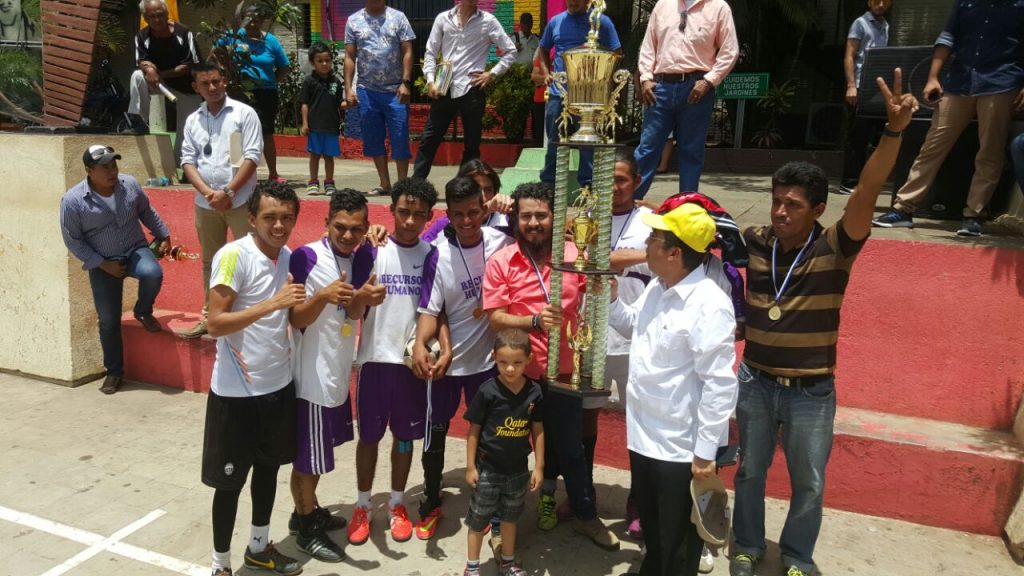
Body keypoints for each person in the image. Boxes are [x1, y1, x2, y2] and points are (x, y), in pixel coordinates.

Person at [730, 70, 916, 576]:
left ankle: (795, 558)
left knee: (808, 481)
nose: (781, 211)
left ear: (818, 209)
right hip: (756, 381)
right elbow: (690, 226)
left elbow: (870, 188)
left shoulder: (836, 244)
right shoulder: (754, 239)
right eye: (777, 200)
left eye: (793, 205)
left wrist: (893, 132)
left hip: (811, 390)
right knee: (748, 472)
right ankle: (745, 547)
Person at [483, 182, 619, 551]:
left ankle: (584, 516)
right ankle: (498, 525)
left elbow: (597, 300)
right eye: (526, 215)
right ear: (515, 219)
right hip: (516, 378)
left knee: (572, 449)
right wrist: (534, 322)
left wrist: (607, 289)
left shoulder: (577, 256)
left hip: (564, 374)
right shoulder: (501, 261)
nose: (533, 222)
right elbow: (495, 318)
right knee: (506, 452)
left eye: (541, 215)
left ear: (556, 219)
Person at [609, 202, 738, 576]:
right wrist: (612, 297)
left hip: (681, 448)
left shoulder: (709, 304)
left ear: (673, 252)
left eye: (653, 238)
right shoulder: (658, 288)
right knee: (654, 529)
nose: (646, 244)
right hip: (645, 436)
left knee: (679, 539)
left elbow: (719, 383)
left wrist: (704, 452)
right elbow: (633, 326)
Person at [202, 181, 304, 576]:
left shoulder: (288, 256)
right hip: (235, 394)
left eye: (286, 218)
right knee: (228, 485)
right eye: (269, 217)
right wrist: (272, 304)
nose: (278, 225)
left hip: (277, 388)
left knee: (268, 472)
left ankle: (259, 548)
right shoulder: (233, 256)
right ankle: (220, 565)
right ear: (251, 219)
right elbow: (215, 323)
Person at [411, 176, 515, 541]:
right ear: (448, 215)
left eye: (474, 212)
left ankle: (488, 503)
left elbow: (543, 228)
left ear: (485, 208)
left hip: (487, 365)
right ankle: (431, 499)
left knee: (490, 438)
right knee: (435, 434)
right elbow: (429, 310)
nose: (468, 221)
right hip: (447, 367)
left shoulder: (503, 240)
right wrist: (422, 345)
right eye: (459, 215)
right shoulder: (437, 253)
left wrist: (512, 206)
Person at [872, 2, 1024, 236]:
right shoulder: (966, 2)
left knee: (990, 151)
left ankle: (974, 215)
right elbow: (948, 36)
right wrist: (933, 77)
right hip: (959, 81)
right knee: (933, 145)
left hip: (1001, 81)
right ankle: (903, 209)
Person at [347, 177, 439, 545]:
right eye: (404, 212)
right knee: (369, 437)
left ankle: (398, 503)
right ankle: (363, 505)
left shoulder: (431, 254)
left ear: (430, 216)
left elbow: (433, 308)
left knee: (404, 438)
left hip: (410, 366)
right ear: (392, 210)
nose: (411, 221)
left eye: (419, 214)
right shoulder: (372, 249)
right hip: (373, 362)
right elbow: (351, 302)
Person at [285, 190, 370, 563]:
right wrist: (321, 296)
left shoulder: (361, 256)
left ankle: (305, 511)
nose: (348, 236)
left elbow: (351, 315)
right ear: (326, 223)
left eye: (357, 229)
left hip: (336, 374)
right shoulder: (306, 256)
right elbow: (294, 319)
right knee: (307, 462)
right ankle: (306, 530)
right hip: (311, 380)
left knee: (316, 457)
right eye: (340, 227)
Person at [59, 144, 170, 395]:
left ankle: (143, 310)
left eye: (114, 165)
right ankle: (114, 372)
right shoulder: (73, 200)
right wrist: (101, 263)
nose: (112, 171)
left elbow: (146, 212)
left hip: (134, 250)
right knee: (108, 321)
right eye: (104, 167)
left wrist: (163, 234)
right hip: (102, 261)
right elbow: (72, 239)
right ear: (89, 170)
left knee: (153, 273)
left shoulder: (129, 184)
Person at [179, 62, 263, 339]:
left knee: (249, 258)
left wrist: (227, 192)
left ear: (224, 81)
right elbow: (188, 160)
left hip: (240, 203)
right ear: (196, 87)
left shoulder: (242, 114)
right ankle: (209, 316)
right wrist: (208, 193)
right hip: (206, 204)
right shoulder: (194, 120)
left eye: (216, 81)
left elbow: (248, 157)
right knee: (211, 262)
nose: (212, 88)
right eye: (206, 84)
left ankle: (252, 317)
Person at [633, 0, 739, 199]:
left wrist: (709, 80)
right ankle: (629, 204)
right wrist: (646, 78)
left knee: (691, 150)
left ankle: (686, 207)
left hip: (697, 87)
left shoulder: (718, 7)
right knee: (647, 147)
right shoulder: (663, 5)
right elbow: (648, 45)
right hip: (660, 86)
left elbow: (729, 51)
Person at [462, 329, 545, 576]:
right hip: (487, 470)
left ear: (529, 360)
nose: (510, 369)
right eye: (503, 363)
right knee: (477, 521)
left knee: (510, 519)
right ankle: (472, 568)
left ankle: (508, 562)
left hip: (518, 471)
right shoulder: (487, 391)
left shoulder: (535, 393)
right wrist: (470, 466)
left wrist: (539, 466)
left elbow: (538, 431)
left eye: (517, 363)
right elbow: (473, 431)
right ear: (494, 358)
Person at [414, 0, 517, 179]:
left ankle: (464, 188)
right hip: (443, 86)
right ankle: (416, 186)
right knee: (429, 139)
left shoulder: (488, 21)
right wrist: (430, 80)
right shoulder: (443, 18)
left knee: (472, 144)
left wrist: (491, 74)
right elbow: (430, 52)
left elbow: (511, 51)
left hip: (472, 87)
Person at [536, 0, 621, 187]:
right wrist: (545, 72)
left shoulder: (601, 22)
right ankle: (549, 185)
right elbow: (543, 48)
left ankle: (588, 186)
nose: (572, 2)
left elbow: (616, 52)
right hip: (560, 93)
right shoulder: (555, 22)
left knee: (588, 143)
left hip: (590, 95)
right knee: (554, 141)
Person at [344, 0, 416, 196]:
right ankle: (385, 183)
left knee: (399, 137)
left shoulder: (399, 18)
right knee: (374, 139)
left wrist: (406, 82)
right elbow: (350, 56)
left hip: (395, 90)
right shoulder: (353, 20)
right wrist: (348, 88)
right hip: (367, 90)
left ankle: (402, 185)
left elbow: (408, 51)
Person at [128, 0, 203, 166]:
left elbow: (189, 64)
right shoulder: (142, 36)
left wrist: (160, 74)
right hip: (158, 85)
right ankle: (139, 120)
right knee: (137, 76)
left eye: (160, 15)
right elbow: (140, 61)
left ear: (167, 14)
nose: (157, 20)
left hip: (186, 89)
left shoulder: (183, 33)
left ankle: (183, 166)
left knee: (187, 132)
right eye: (152, 16)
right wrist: (149, 69)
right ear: (146, 18)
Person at [227, 4, 290, 183]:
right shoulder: (234, 38)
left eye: (257, 17)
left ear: (263, 20)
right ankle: (237, 174)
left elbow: (284, 67)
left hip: (266, 94)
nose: (253, 21)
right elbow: (215, 56)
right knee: (236, 133)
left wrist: (270, 82)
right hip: (239, 92)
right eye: (249, 16)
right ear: (242, 18)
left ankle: (273, 173)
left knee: (266, 132)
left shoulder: (270, 40)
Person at [838, 0, 891, 194]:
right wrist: (851, 86)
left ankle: (865, 182)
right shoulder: (860, 23)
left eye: (885, 1)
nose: (881, 4)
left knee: (874, 137)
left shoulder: (885, 26)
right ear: (869, 2)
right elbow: (850, 55)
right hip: (859, 86)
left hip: (876, 88)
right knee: (856, 137)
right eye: (877, 0)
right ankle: (848, 182)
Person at [421, 158, 513, 242]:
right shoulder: (445, 223)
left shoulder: (506, 220)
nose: (483, 197)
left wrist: (514, 206)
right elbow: (421, 250)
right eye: (476, 190)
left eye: (488, 190)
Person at [299, 42, 345, 197]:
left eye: (327, 60)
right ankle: (313, 182)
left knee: (329, 157)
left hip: (331, 126)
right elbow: (304, 104)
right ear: (313, 63)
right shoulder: (309, 81)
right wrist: (305, 123)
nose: (324, 64)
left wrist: (350, 104)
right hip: (315, 126)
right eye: (320, 61)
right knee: (315, 156)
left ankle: (329, 183)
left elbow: (340, 103)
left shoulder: (336, 82)